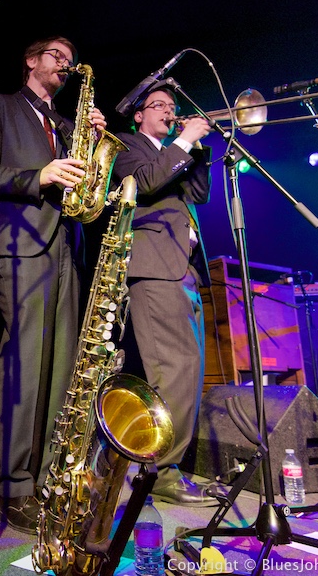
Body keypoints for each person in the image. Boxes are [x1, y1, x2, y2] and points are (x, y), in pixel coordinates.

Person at [0, 36, 106, 533]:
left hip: (67, 247)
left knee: (63, 367)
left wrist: (91, 146)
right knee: (25, 363)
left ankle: (49, 482)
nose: (65, 64)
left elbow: (88, 190)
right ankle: (14, 489)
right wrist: (39, 175)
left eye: (70, 59)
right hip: (19, 242)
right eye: (56, 55)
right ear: (30, 60)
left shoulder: (68, 126)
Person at [111, 80, 216, 506]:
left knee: (187, 368)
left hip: (182, 267)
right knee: (171, 369)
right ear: (138, 114)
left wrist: (197, 149)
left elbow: (199, 194)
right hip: (153, 267)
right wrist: (186, 139)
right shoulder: (125, 145)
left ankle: (165, 467)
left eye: (173, 107)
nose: (168, 112)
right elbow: (146, 183)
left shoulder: (176, 152)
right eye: (158, 105)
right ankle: (158, 472)